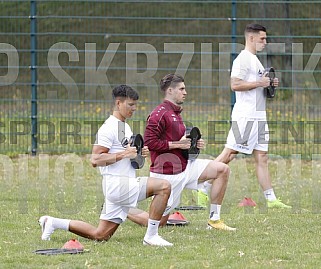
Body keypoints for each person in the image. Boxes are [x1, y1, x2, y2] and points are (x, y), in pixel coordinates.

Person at [39, 85, 173, 247]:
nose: (134, 108)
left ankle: (52, 222)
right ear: (118, 103)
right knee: (164, 186)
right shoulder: (108, 128)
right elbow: (95, 159)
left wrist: (139, 153)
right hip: (118, 185)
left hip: (120, 186)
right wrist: (124, 154)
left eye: (135, 105)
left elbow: (129, 155)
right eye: (130, 105)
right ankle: (151, 236)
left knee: (100, 234)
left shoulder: (125, 126)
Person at [128, 73, 236, 231]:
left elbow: (180, 140)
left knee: (222, 170)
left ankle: (214, 219)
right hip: (167, 174)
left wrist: (194, 144)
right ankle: (123, 208)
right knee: (158, 222)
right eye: (182, 89)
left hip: (186, 167)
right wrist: (178, 144)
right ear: (170, 91)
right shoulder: (158, 114)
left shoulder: (175, 112)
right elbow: (150, 143)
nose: (185, 92)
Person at [214, 23, 291, 208]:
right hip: (246, 116)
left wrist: (270, 84)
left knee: (262, 156)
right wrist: (259, 82)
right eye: (262, 38)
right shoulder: (242, 59)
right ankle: (200, 184)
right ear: (251, 38)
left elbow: (259, 85)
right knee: (229, 154)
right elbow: (235, 85)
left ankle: (271, 200)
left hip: (259, 117)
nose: (265, 42)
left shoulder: (255, 60)